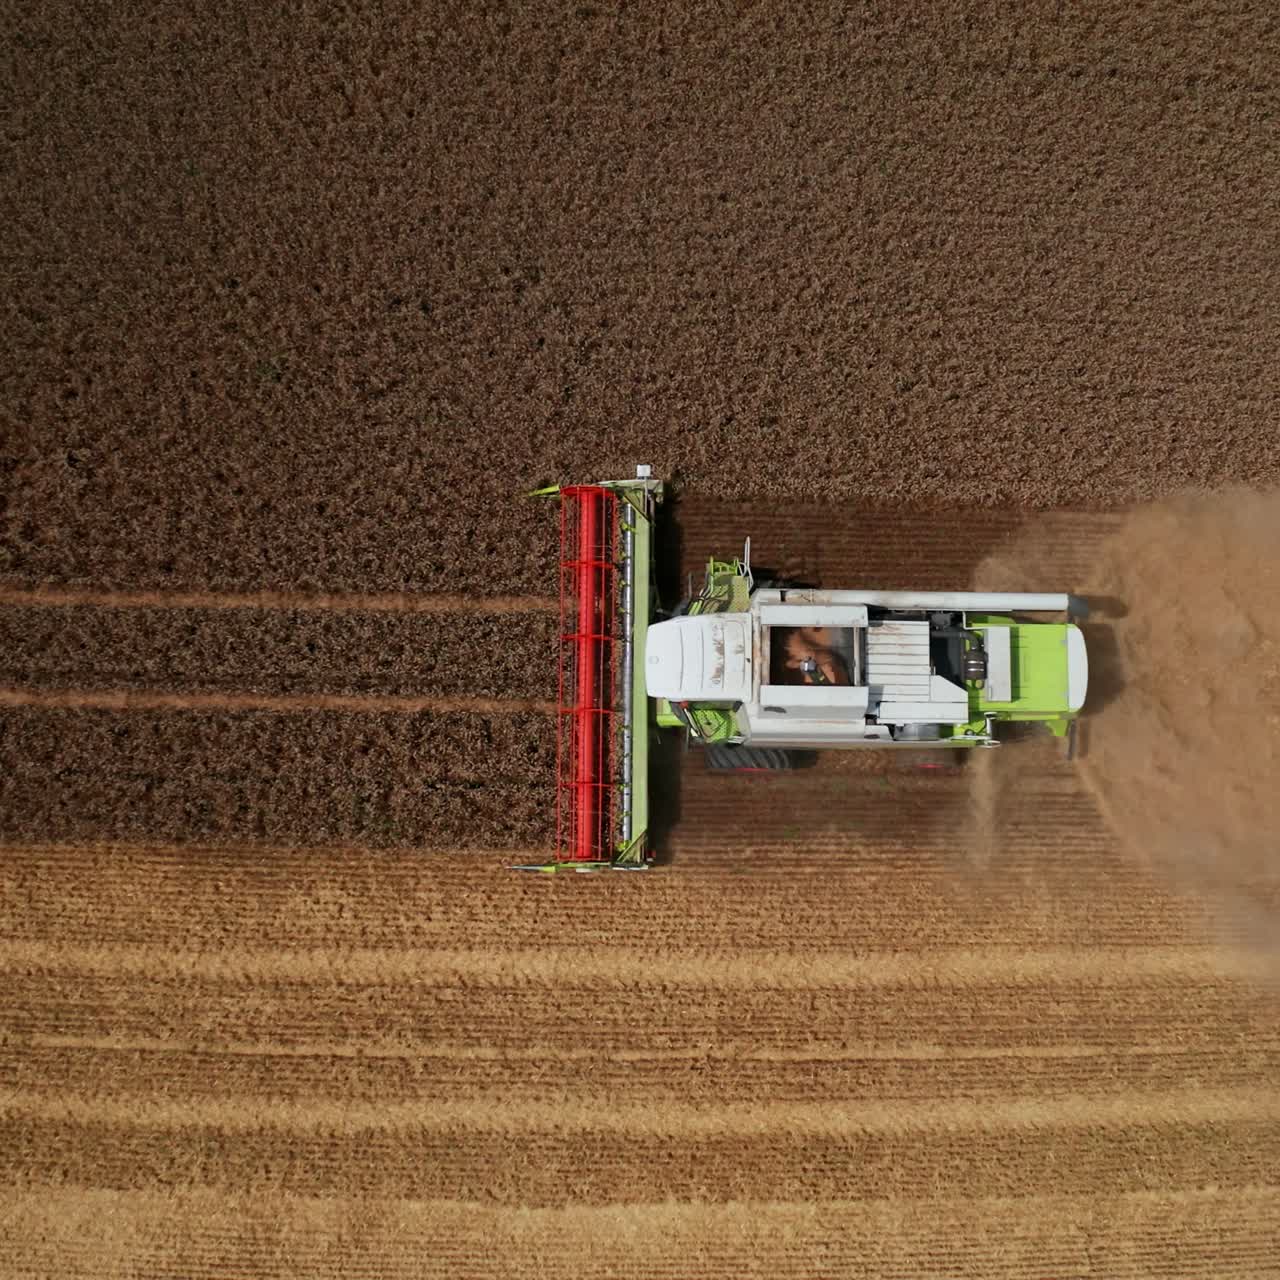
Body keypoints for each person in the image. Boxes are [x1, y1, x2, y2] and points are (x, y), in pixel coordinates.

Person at [780, 626, 850, 686]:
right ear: (792, 663)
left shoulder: (810, 665)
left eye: (805, 641)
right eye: (802, 646)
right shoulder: (808, 667)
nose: (808, 648)